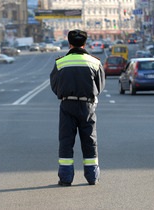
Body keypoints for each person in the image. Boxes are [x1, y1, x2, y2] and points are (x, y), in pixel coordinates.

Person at [50, 29, 105, 186]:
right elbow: (100, 86)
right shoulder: (95, 62)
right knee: (89, 141)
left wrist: (65, 94)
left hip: (67, 105)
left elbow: (54, 85)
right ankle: (92, 176)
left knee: (66, 141)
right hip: (87, 105)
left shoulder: (60, 63)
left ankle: (66, 178)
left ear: (69, 44)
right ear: (85, 43)